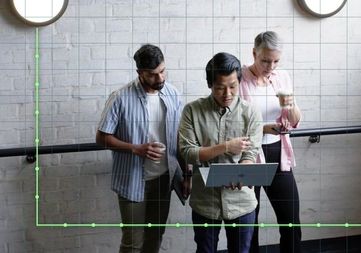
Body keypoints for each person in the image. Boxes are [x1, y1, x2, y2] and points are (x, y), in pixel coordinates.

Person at [96, 44, 183, 253]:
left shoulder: (173, 94)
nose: (160, 78)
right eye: (153, 75)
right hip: (132, 179)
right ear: (140, 73)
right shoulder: (120, 97)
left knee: (155, 237)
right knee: (132, 242)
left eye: (162, 71)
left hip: (164, 178)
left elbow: (180, 138)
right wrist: (136, 149)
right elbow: (102, 137)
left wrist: (186, 173)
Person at [178, 52, 263, 253]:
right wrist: (225, 147)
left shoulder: (250, 112)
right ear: (210, 85)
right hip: (205, 201)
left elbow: (250, 153)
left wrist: (243, 171)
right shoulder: (192, 111)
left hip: (241, 200)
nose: (227, 94)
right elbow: (187, 152)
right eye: (220, 88)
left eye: (233, 86)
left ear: (239, 82)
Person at [239, 31, 302, 253]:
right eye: (265, 60)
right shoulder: (240, 79)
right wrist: (263, 128)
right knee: (249, 223)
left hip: (278, 151)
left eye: (276, 61)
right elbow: (233, 123)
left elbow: (295, 121)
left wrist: (290, 104)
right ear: (254, 53)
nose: (270, 66)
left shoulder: (282, 77)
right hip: (249, 154)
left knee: (291, 221)